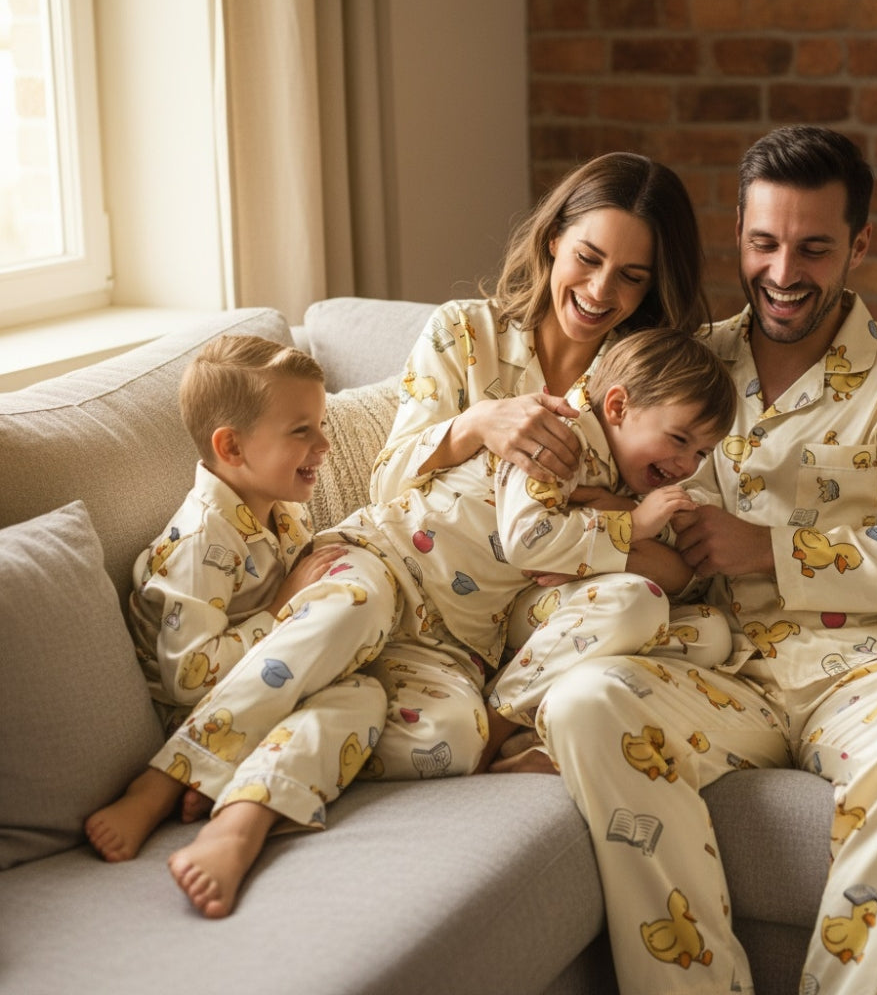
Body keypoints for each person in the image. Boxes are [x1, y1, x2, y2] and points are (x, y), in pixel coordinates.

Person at [532, 126, 877, 995]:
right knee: (585, 700)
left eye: (814, 247)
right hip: (713, 665)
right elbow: (581, 454)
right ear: (739, 233)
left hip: (868, 672)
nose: (784, 272)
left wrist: (770, 549)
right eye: (763, 243)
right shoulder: (684, 358)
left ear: (860, 244)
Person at [85, 327, 736, 920]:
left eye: (701, 452)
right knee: (353, 607)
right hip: (381, 564)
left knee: (444, 733)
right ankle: (168, 777)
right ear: (618, 405)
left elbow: (668, 577)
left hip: (444, 639)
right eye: (681, 440)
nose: (687, 463)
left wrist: (627, 513)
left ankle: (247, 805)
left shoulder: (279, 516)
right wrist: (629, 522)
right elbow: (529, 538)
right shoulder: (555, 437)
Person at [372, 151, 730, 770]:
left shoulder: (656, 379)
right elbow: (387, 485)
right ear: (554, 238)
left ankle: (520, 721)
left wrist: (604, 521)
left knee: (708, 635)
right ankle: (514, 732)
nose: (599, 292)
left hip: (555, 615)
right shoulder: (463, 334)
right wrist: (477, 423)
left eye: (631, 276)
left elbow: (683, 568)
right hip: (455, 590)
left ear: (652, 286)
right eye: (588, 259)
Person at [86, 334, 346, 844]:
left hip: (271, 678)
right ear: (231, 446)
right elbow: (188, 676)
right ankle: (163, 783)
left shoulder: (285, 509)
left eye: (321, 426)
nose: (323, 445)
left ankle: (242, 787)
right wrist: (278, 608)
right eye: (302, 431)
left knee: (364, 696)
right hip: (198, 713)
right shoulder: (204, 541)